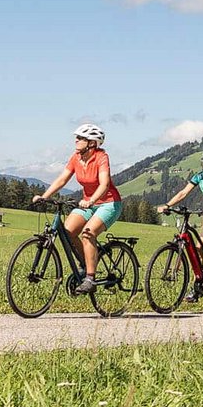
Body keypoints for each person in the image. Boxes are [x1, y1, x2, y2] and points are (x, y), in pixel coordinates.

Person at [31, 123, 119, 294]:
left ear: (92, 143)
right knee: (68, 232)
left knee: (88, 233)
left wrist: (92, 200)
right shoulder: (76, 158)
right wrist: (44, 196)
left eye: (80, 138)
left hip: (108, 204)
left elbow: (105, 184)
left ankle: (90, 279)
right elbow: (62, 179)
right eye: (76, 137)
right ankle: (86, 263)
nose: (76, 140)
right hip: (88, 203)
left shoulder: (101, 157)